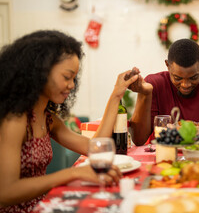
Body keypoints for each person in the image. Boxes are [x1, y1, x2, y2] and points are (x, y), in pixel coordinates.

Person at [0, 30, 139, 212]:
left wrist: (116, 94)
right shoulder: (15, 119)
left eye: (74, 78)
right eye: (67, 77)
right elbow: (5, 192)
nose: (72, 85)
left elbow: (93, 146)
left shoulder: (48, 119)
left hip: (44, 206)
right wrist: (72, 173)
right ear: (39, 73)